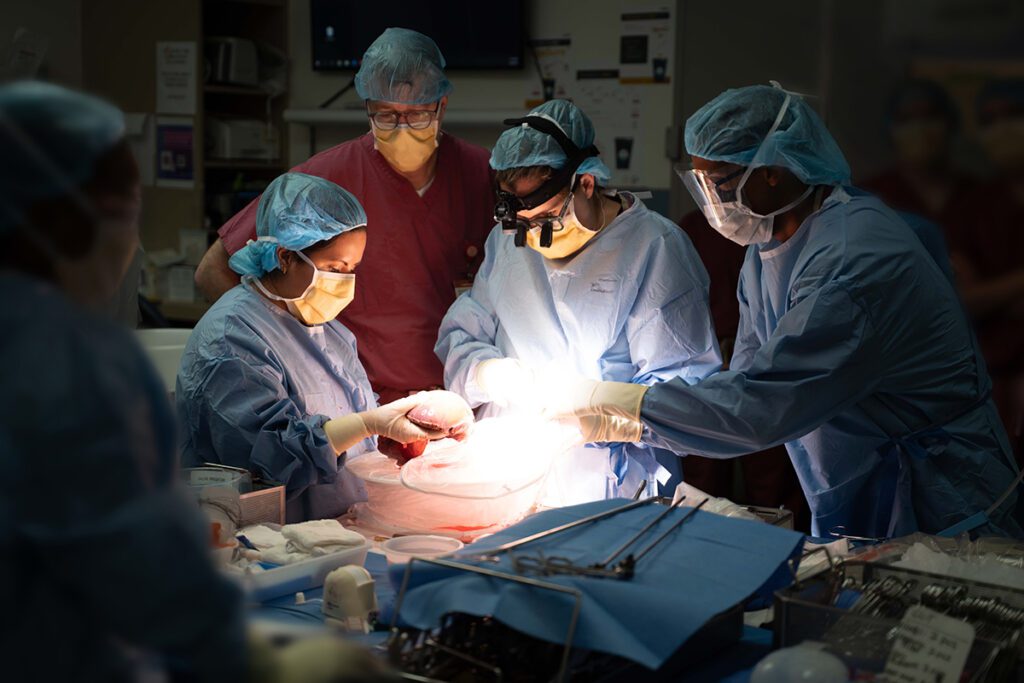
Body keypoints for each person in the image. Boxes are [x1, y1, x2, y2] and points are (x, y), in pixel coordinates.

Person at [549, 83, 1023, 539]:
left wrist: (618, 407)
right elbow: (751, 379)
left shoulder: (852, 262)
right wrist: (622, 408)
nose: (711, 203)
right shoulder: (769, 247)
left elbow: (764, 406)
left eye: (717, 184)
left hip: (946, 499)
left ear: (771, 173)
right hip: (871, 485)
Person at [0, 81, 245, 682]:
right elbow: (148, 572)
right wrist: (246, 655)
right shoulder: (71, 362)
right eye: (123, 214)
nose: (131, 242)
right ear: (62, 217)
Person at [435, 99, 721, 505]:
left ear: (586, 184)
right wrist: (488, 373)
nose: (533, 238)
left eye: (546, 220)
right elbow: (463, 334)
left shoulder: (654, 247)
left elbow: (686, 394)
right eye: (523, 225)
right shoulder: (507, 244)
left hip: (616, 487)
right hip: (509, 477)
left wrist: (601, 419)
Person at [197, 27, 495, 404]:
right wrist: (291, 353)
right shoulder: (325, 178)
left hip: (464, 401)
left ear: (442, 106)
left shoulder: (482, 174)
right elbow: (213, 270)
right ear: (367, 109)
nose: (402, 128)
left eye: (417, 114)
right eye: (387, 115)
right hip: (358, 403)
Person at [178, 172, 472, 523]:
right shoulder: (231, 338)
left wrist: (390, 435)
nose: (345, 282)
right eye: (334, 267)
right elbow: (269, 462)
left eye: (352, 269)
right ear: (286, 257)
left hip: (341, 525)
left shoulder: (325, 329)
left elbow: (347, 428)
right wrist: (366, 424)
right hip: (267, 540)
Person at [945, 79, 1024, 460]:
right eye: (990, 120)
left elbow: (980, 295)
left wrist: (996, 293)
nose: (1003, 128)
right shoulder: (973, 206)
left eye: (1013, 115)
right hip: (994, 384)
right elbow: (962, 299)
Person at [860, 79, 975, 241]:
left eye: (930, 115)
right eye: (906, 118)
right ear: (889, 130)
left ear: (950, 123)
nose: (919, 127)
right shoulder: (872, 197)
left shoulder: (977, 195)